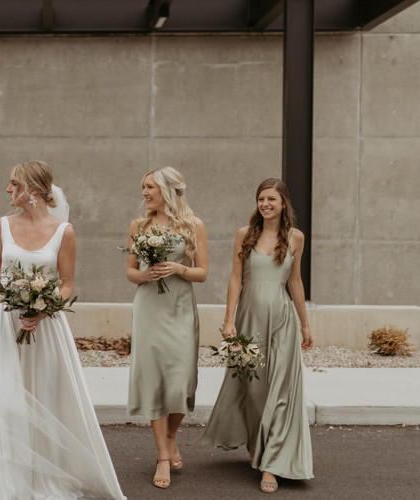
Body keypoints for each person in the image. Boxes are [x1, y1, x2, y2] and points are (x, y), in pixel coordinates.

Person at [0, 161, 125, 499]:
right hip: (2, 326)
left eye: (13, 183)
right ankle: (2, 484)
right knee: (4, 401)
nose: (7, 190)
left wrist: (42, 309)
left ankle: (45, 475)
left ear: (31, 190)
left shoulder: (64, 231)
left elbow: (66, 284)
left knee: (47, 397)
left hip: (46, 329)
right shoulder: (1, 226)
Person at [200, 178, 315, 494]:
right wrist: (228, 321)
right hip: (248, 319)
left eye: (272, 199)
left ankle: (271, 465)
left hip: (281, 320)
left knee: (279, 391)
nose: (265, 204)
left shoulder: (296, 238)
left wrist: (305, 324)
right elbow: (235, 279)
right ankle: (255, 442)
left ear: (283, 203)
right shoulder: (244, 235)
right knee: (252, 388)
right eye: (261, 199)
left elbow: (295, 283)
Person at [124, 167, 208, 489]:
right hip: (149, 308)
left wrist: (177, 268)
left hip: (180, 308)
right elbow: (130, 271)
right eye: (143, 188)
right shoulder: (138, 225)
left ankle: (172, 435)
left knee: (182, 380)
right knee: (156, 380)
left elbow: (202, 273)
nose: (144, 193)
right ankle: (161, 455)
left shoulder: (193, 225)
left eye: (149, 188)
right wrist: (145, 275)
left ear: (167, 189)